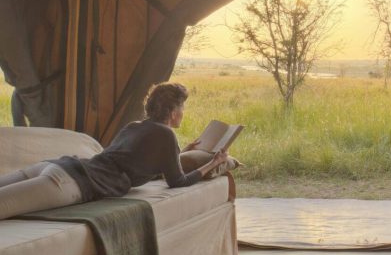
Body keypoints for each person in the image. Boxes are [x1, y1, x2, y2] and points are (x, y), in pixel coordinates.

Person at [0, 82, 227, 220]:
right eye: (182, 107)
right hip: (69, 183)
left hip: (59, 166)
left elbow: (134, 162)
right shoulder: (165, 135)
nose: (183, 112)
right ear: (173, 111)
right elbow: (177, 181)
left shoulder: (134, 127)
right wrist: (213, 163)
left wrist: (181, 153)